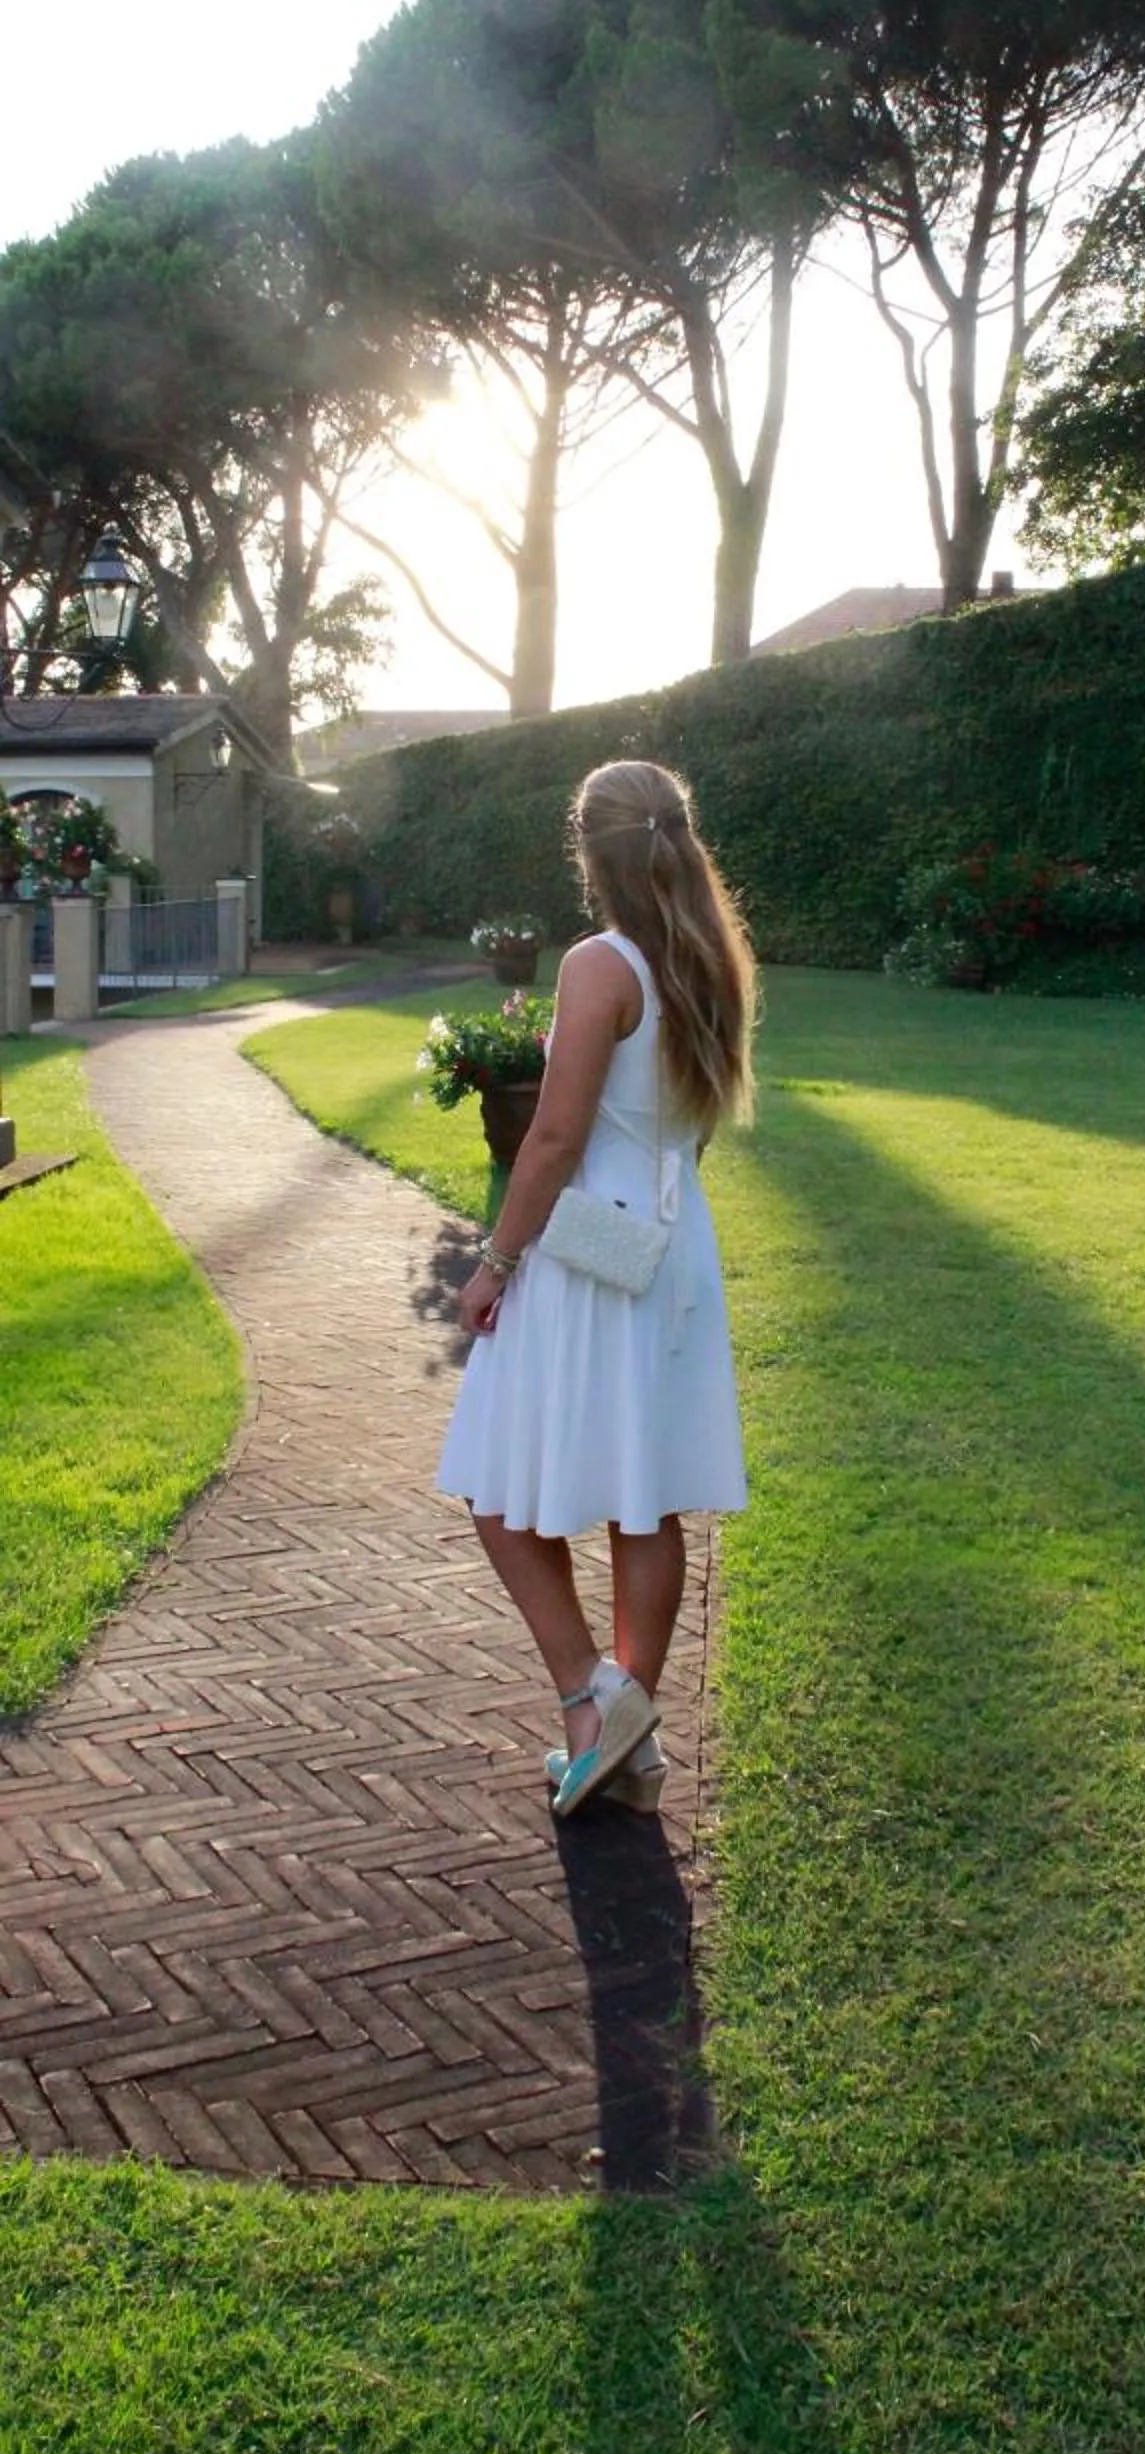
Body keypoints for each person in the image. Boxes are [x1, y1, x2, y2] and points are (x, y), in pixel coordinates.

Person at [437, 758, 754, 1818]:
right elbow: (688, 1129)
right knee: (642, 1492)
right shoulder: (712, 962)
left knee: (493, 1480)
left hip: (590, 1242)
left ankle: (589, 1702)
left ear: (590, 851)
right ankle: (631, 1736)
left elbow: (554, 1137)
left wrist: (493, 1266)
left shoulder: (601, 963)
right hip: (672, 1240)